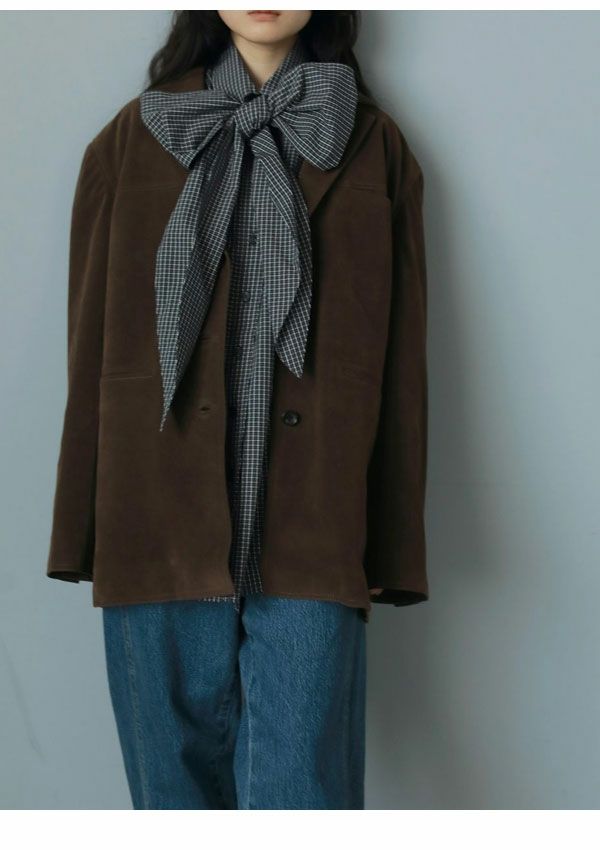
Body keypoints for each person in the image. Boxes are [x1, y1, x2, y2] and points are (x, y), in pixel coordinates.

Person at [46, 10, 429, 809]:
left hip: (316, 530)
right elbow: (92, 353)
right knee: (171, 806)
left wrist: (391, 545)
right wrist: (84, 531)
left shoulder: (371, 144)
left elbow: (400, 366)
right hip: (154, 525)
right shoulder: (131, 140)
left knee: (305, 802)